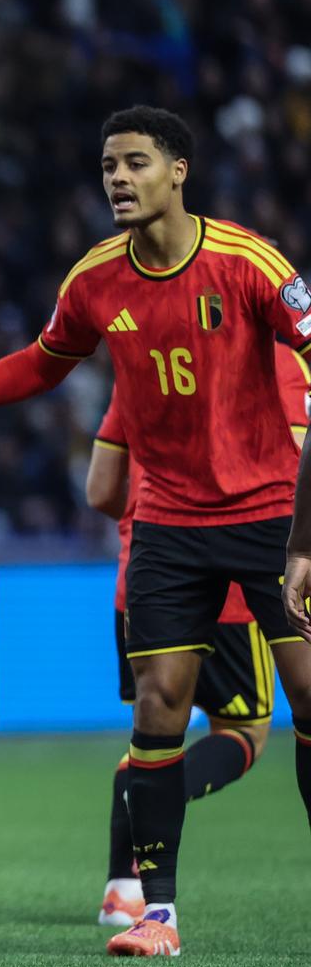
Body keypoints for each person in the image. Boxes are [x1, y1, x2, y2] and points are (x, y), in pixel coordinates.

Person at [0, 105, 311, 958]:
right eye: (107, 167)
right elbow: (40, 363)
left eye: (136, 163)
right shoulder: (96, 279)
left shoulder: (251, 265)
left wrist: (306, 542)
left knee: (308, 697)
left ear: (179, 171)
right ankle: (158, 914)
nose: (118, 180)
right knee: (163, 708)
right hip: (168, 521)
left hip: (270, 513)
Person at [87, 349, 308, 924]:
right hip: (233, 586)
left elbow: (101, 489)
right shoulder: (273, 363)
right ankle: (155, 799)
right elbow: (299, 456)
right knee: (245, 730)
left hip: (141, 578)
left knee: (154, 731)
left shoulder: (142, 367)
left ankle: (122, 889)